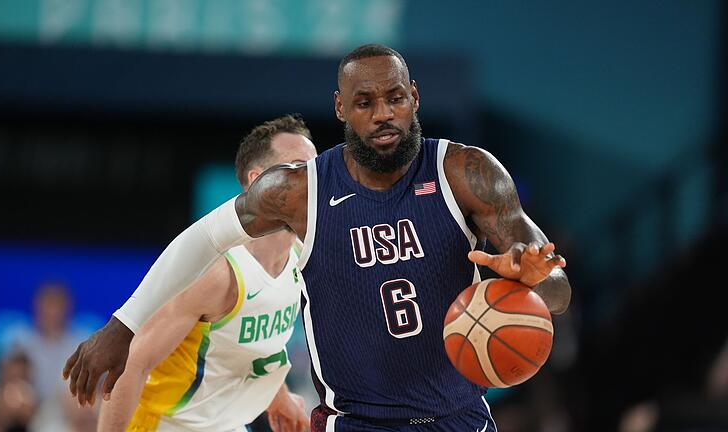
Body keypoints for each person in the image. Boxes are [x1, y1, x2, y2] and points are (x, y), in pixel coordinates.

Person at [64, 44, 571, 431]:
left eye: (395, 98)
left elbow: (558, 292)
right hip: (355, 422)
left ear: (414, 97)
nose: (382, 114)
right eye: (364, 102)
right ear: (340, 108)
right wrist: (123, 326)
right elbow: (201, 238)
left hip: (459, 415)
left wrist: (531, 281)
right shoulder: (299, 193)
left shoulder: (465, 172)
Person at [97, 115, 315, 432]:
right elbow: (132, 363)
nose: (310, 179)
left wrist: (277, 395)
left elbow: (245, 348)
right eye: (297, 168)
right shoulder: (219, 271)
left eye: (313, 168)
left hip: (224, 423)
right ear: (259, 181)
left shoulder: (300, 255)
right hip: (165, 424)